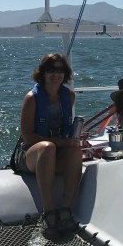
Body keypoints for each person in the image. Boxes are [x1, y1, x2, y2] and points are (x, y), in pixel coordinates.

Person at [17, 53, 82, 235]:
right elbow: (28, 137)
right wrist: (60, 142)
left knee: (75, 149)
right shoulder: (32, 98)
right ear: (43, 73)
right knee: (48, 147)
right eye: (51, 70)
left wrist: (71, 139)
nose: (56, 74)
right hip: (31, 155)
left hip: (56, 153)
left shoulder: (69, 96)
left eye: (60, 70)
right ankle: (48, 212)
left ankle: (66, 209)